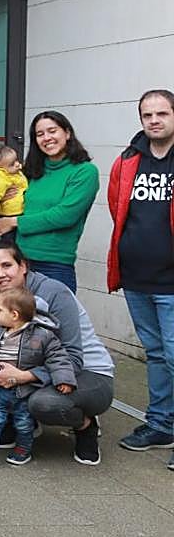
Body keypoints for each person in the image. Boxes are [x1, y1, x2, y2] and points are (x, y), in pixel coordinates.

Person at [0, 240, 114, 465]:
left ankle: (85, 425)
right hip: (39, 367)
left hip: (87, 373)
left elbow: (73, 358)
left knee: (43, 404)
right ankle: (20, 420)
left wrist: (23, 376)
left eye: (7, 265)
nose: (0, 274)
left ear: (23, 266)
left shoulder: (54, 293)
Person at [107, 89, 174, 462]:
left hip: (172, 280)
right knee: (156, 355)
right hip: (137, 278)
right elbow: (119, 209)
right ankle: (162, 424)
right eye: (147, 115)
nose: (154, 120)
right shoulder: (128, 160)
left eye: (161, 113)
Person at [0, 287, 77, 469]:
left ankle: (23, 448)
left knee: (23, 423)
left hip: (24, 392)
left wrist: (63, 379)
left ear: (14, 315)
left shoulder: (43, 336)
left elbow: (58, 358)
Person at [0, 111, 97, 293]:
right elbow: (8, 203)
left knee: (54, 320)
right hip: (18, 261)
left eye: (52, 131)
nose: (47, 138)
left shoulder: (85, 172)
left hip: (54, 265)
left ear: (67, 133)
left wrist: (14, 222)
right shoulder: (29, 173)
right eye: (40, 134)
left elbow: (65, 216)